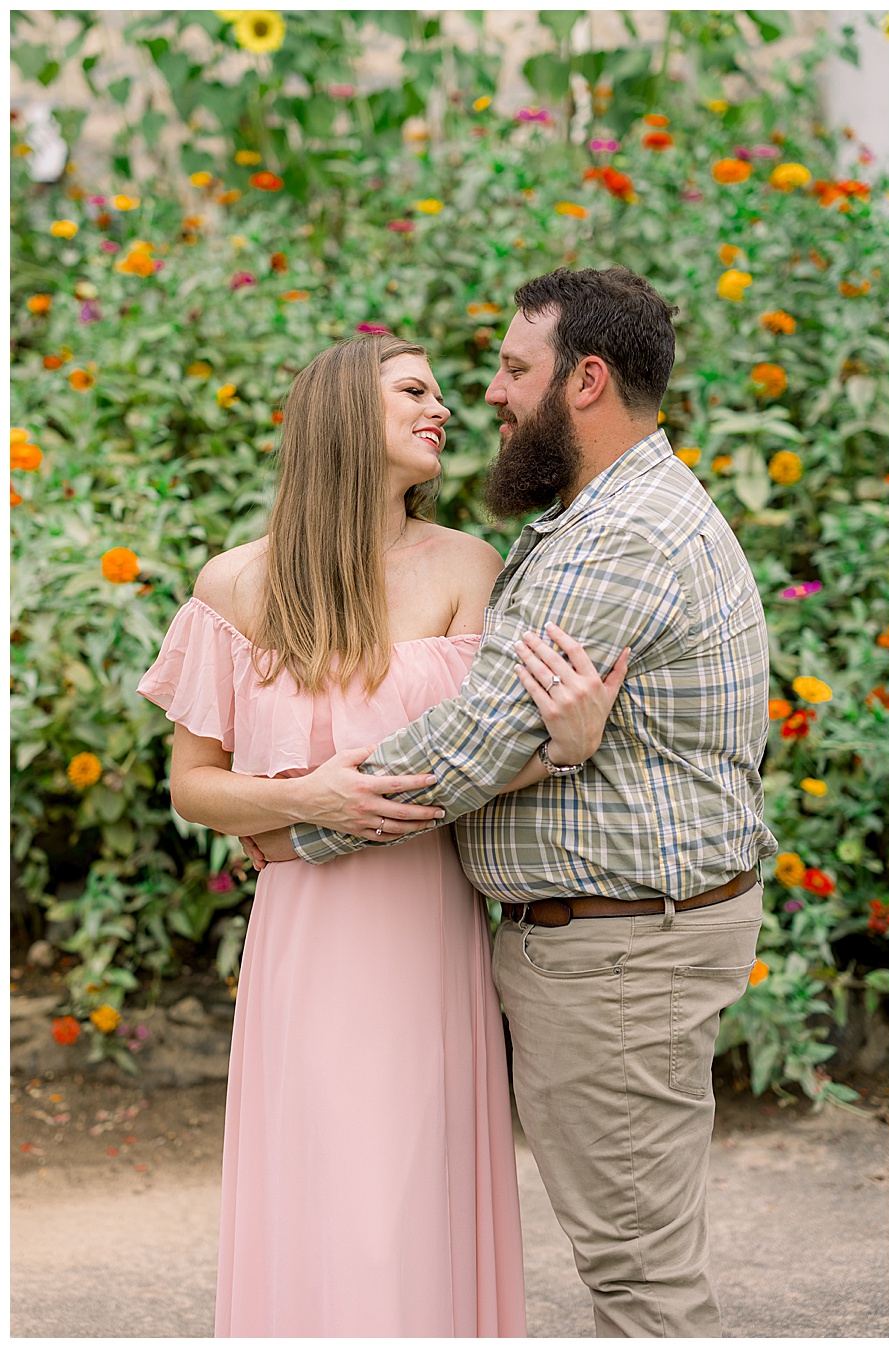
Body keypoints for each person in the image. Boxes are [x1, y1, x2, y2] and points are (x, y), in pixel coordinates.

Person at [252, 266, 781, 1334]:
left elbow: (477, 736)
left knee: (642, 1281)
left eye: (510, 368)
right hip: (619, 938)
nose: (485, 394)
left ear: (584, 381)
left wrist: (291, 825)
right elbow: (513, 730)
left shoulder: (620, 534)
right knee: (637, 1260)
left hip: (624, 953)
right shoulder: (596, 516)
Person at [137, 332, 628, 1335]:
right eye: (414, 389)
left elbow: (486, 758)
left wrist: (571, 744)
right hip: (308, 938)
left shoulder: (468, 565)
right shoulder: (234, 584)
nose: (442, 406)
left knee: (410, 1201)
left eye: (443, 392)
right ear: (343, 417)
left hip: (429, 930)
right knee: (328, 1201)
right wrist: (305, 801)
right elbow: (193, 787)